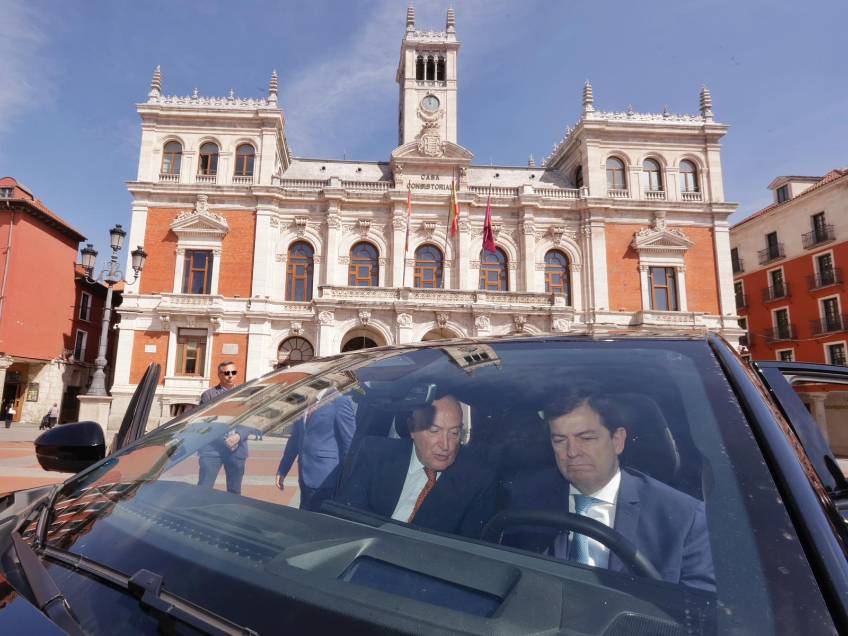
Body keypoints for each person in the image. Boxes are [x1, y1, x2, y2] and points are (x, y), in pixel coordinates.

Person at [507, 391, 715, 591]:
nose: (572, 452)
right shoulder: (526, 497)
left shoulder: (683, 519)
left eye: (586, 438)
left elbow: (697, 607)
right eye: (560, 441)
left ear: (617, 441)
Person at [336, 395, 496, 538]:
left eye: (454, 433)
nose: (445, 445)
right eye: (434, 431)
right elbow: (345, 518)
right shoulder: (375, 454)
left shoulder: (477, 482)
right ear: (412, 428)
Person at [275, 390, 356, 511]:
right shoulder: (302, 402)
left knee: (320, 520)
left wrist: (346, 479)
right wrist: (283, 469)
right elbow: (295, 438)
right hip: (304, 475)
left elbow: (349, 443)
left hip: (327, 478)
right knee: (304, 516)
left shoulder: (339, 401)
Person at [196, 361, 252, 495]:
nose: (230, 375)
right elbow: (205, 424)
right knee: (204, 489)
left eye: (233, 372)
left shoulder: (246, 394)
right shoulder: (208, 395)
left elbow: (250, 420)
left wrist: (238, 436)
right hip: (212, 451)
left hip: (237, 450)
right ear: (219, 374)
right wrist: (224, 440)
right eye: (226, 373)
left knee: (234, 492)